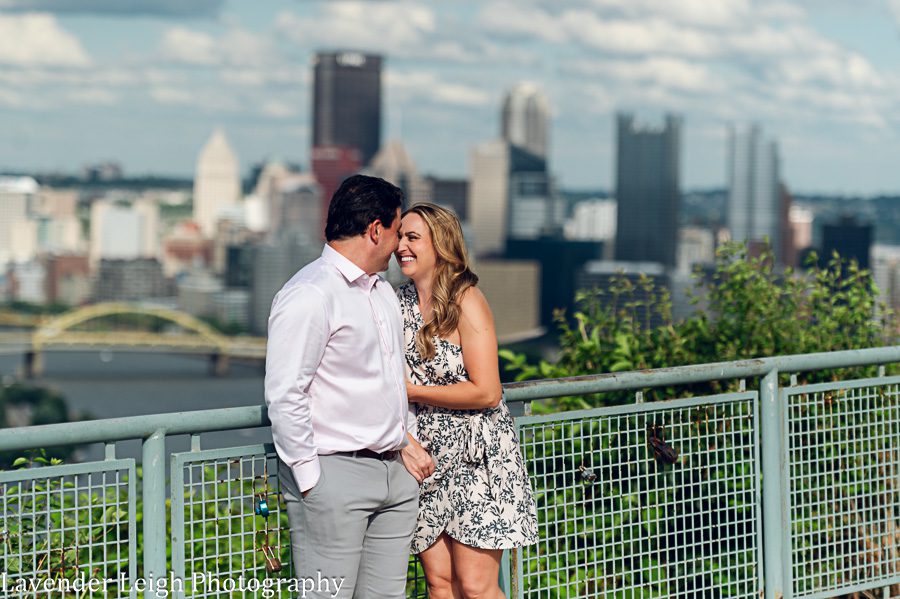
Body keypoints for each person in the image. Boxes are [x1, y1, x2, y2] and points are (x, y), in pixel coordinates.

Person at [265, 174, 435, 599]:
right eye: (397, 230)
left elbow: (387, 381)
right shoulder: (309, 294)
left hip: (394, 474)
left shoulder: (382, 294)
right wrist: (310, 479)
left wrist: (403, 440)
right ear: (375, 229)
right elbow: (286, 394)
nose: (398, 245)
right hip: (333, 476)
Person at [395, 203, 538, 599]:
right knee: (441, 585)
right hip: (425, 455)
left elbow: (487, 391)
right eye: (399, 237)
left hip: (478, 455)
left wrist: (411, 391)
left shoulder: (467, 301)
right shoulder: (396, 303)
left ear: (441, 246)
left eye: (412, 238)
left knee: (476, 587)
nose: (401, 246)